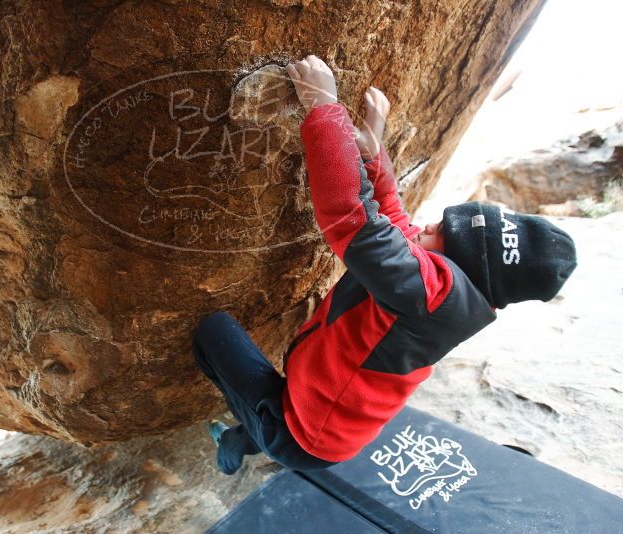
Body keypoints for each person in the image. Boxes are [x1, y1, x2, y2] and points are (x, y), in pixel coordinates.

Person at [192, 54, 577, 475]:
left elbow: (354, 218)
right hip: (326, 422)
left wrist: (325, 110)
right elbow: (396, 222)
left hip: (302, 435)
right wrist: (374, 155)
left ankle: (235, 447)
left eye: (442, 234)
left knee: (213, 334)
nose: (428, 224)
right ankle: (250, 434)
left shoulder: (431, 295)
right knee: (263, 413)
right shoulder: (451, 288)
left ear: (457, 267)